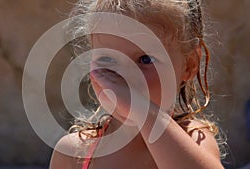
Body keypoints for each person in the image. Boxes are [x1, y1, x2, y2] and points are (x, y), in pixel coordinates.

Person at [49, 0, 225, 168]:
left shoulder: (194, 141)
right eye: (107, 58)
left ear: (189, 65)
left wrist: (145, 111)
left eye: (145, 59)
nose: (125, 76)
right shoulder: (74, 154)